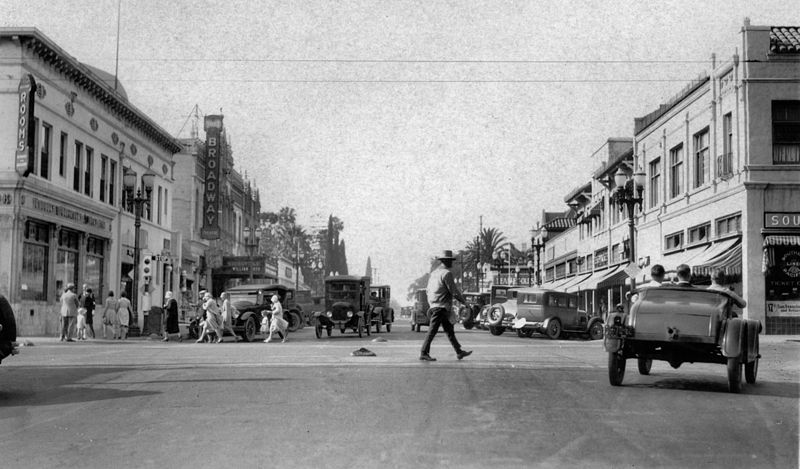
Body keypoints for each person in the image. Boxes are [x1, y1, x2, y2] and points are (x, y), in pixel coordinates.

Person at [419, 250, 472, 362]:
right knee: (432, 331)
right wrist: (464, 303)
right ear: (446, 261)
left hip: (435, 306)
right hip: (441, 307)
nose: (452, 263)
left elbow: (428, 291)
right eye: (450, 261)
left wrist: (432, 303)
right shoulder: (446, 273)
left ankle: (459, 351)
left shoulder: (434, 273)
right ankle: (423, 352)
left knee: (449, 331)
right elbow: (454, 291)